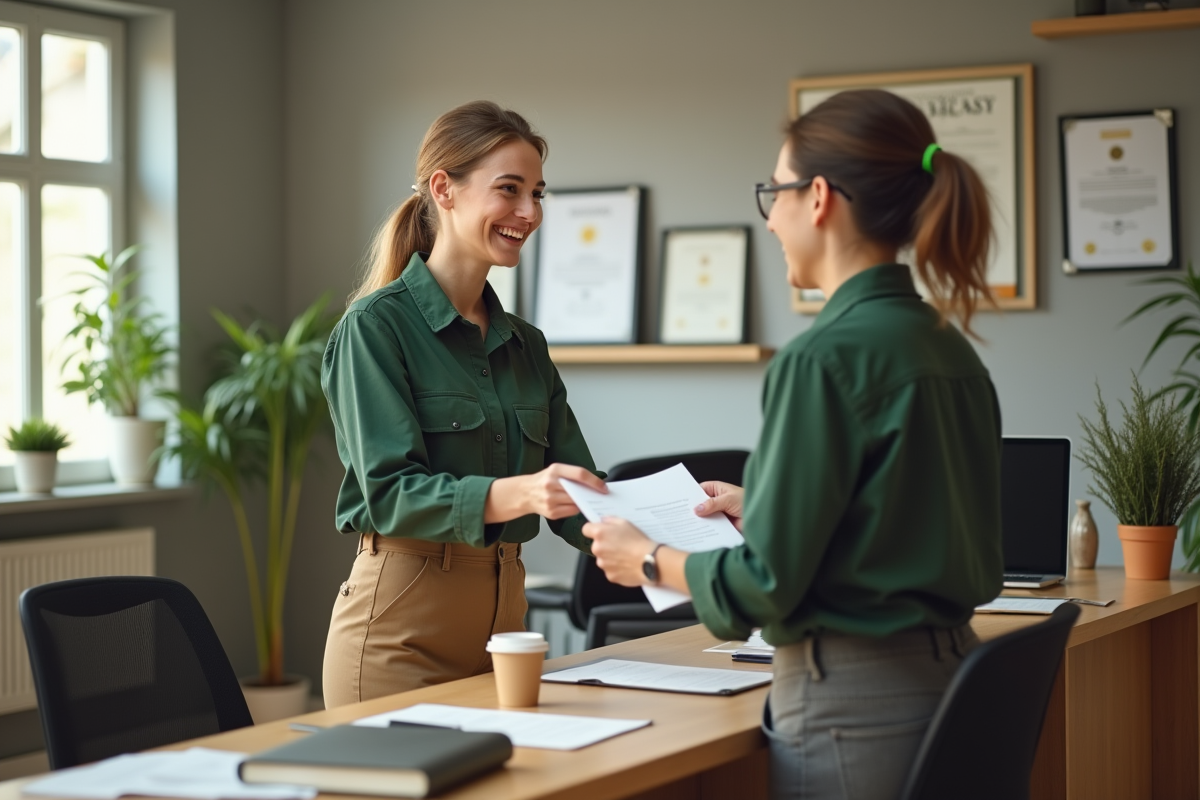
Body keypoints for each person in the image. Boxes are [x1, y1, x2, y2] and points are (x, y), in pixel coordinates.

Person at [584, 89, 1003, 800]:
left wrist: (648, 559)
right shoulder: (950, 350)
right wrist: (771, 507)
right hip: (955, 685)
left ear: (817, 199)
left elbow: (767, 586)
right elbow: (917, 520)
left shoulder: (821, 360)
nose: (770, 217)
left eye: (772, 192)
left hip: (855, 707)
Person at [321, 101, 606, 708]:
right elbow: (390, 492)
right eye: (510, 190)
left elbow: (580, 494)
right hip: (398, 640)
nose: (528, 214)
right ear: (444, 189)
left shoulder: (525, 345)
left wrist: (689, 530)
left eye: (537, 194)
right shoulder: (375, 329)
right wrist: (522, 493)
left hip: (505, 639)